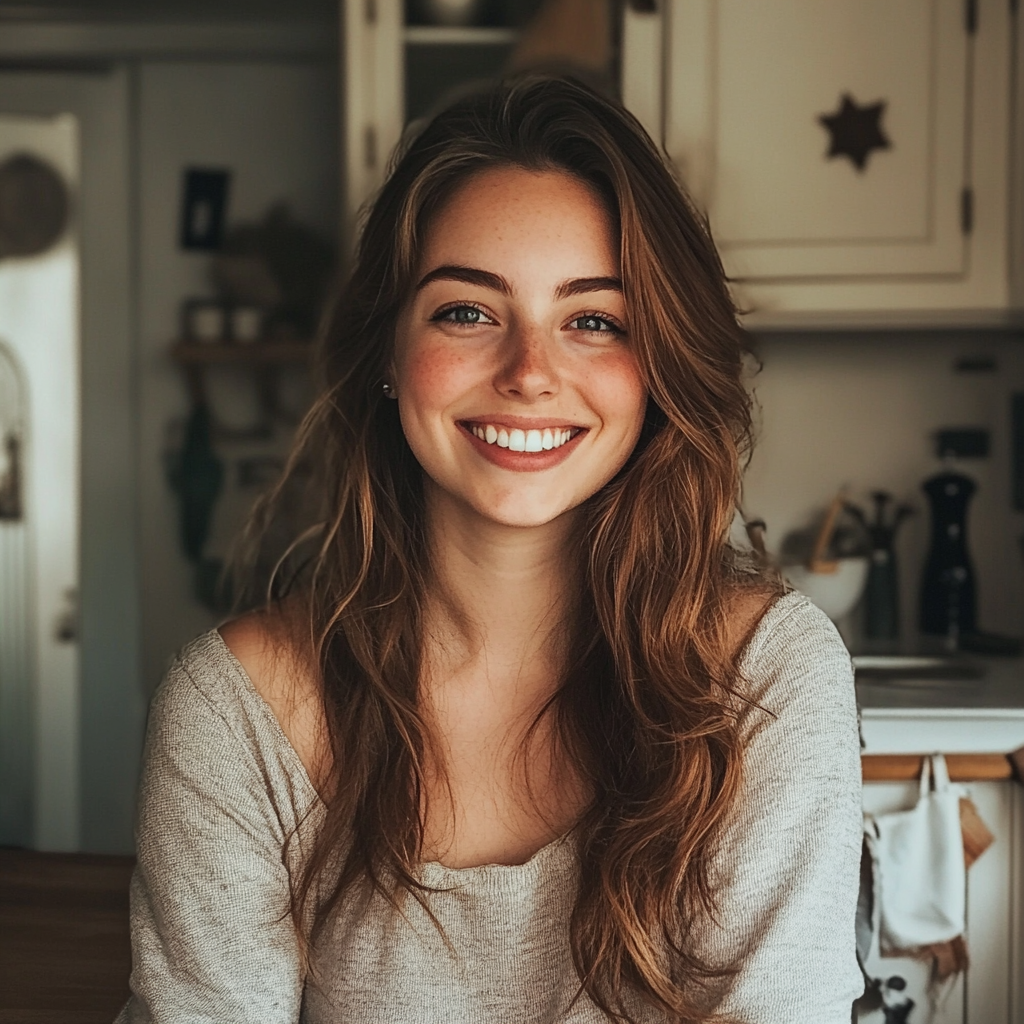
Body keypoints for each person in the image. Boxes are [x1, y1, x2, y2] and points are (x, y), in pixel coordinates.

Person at [118, 76, 863, 1024]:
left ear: (659, 368)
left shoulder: (765, 678)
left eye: (594, 320)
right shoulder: (238, 715)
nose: (529, 373)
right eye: (467, 311)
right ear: (389, 351)